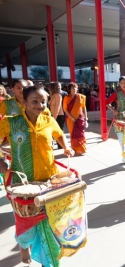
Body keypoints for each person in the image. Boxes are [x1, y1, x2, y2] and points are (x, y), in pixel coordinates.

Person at [0, 85, 74, 267]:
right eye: (35, 101)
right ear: (23, 102)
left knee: (50, 223)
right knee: (26, 221)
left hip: (48, 180)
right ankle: (24, 245)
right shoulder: (10, 122)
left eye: (43, 101)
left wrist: (66, 147)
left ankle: (48, 260)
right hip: (22, 183)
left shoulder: (48, 120)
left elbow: (59, 135)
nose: (40, 105)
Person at [63, 82, 88, 155]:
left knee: (81, 134)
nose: (74, 89)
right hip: (71, 119)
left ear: (77, 88)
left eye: (75, 88)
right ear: (69, 89)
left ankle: (82, 148)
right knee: (73, 134)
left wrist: (86, 117)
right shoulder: (67, 98)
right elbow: (65, 109)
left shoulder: (81, 97)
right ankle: (75, 149)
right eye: (72, 88)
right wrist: (71, 117)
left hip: (80, 118)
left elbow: (84, 107)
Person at [48, 82, 65, 149]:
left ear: (52, 88)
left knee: (59, 131)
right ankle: (52, 144)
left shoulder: (58, 95)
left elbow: (58, 107)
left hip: (59, 115)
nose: (48, 89)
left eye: (50, 88)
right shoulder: (52, 95)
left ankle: (61, 145)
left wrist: (54, 118)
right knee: (51, 131)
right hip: (53, 115)